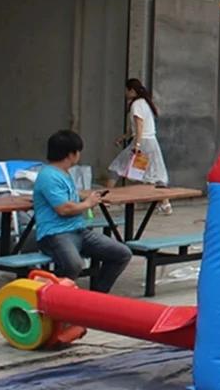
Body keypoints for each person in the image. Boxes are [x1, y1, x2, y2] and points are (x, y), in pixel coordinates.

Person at [34, 130, 132, 293]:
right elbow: (64, 209)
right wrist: (88, 203)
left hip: (78, 230)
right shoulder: (48, 176)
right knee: (73, 265)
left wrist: (85, 196)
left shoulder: (63, 173)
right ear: (71, 154)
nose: (79, 155)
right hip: (55, 234)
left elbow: (67, 196)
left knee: (122, 253)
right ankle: (49, 294)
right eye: (78, 151)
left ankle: (97, 295)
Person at [107, 78, 172, 214]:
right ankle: (166, 204)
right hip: (151, 142)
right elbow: (134, 129)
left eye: (126, 90)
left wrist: (136, 145)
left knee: (116, 167)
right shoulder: (145, 103)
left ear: (131, 90)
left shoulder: (136, 105)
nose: (125, 93)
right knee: (154, 174)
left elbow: (139, 126)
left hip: (142, 143)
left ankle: (107, 198)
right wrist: (123, 138)